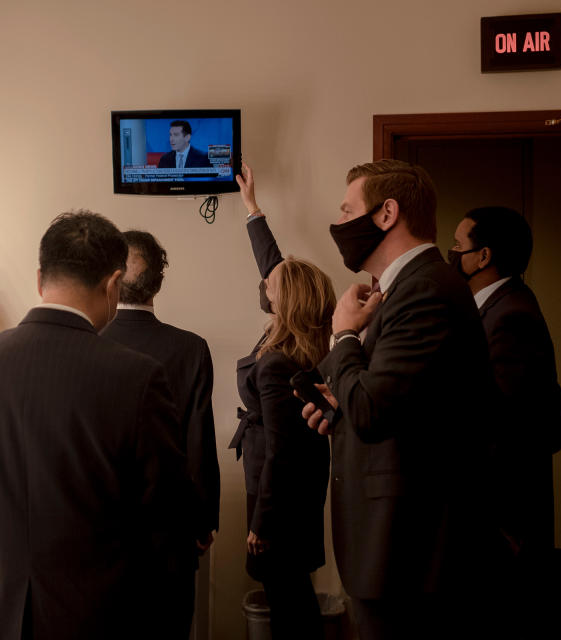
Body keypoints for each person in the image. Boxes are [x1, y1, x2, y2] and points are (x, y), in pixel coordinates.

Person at [0, 210, 193, 640]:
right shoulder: (137, 378)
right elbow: (166, 523)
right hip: (99, 616)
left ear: (40, 278)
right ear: (114, 284)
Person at [303, 159, 500, 639]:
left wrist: (344, 333)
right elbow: (402, 403)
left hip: (408, 549)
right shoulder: (404, 290)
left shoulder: (424, 289)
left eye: (349, 210)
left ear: (386, 213)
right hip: (395, 545)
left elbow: (374, 410)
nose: (340, 222)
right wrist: (340, 405)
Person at [228, 163, 332, 640]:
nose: (264, 280)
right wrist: (252, 207)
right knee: (294, 596)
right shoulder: (303, 346)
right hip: (301, 495)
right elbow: (273, 266)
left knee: (288, 601)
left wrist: (261, 524)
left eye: (271, 282)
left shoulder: (276, 363)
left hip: (278, 501)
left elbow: (280, 453)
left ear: (282, 302)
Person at [100, 229, 220, 638]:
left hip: (103, 531)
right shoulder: (191, 349)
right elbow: (198, 440)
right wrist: (203, 521)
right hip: (171, 532)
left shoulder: (88, 343)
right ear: (159, 281)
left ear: (112, 277)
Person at [448, 207, 561, 553]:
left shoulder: (511, 316)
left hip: (503, 518)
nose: (451, 255)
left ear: (483, 256)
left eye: (457, 246)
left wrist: (500, 524)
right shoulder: (495, 305)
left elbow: (503, 425)